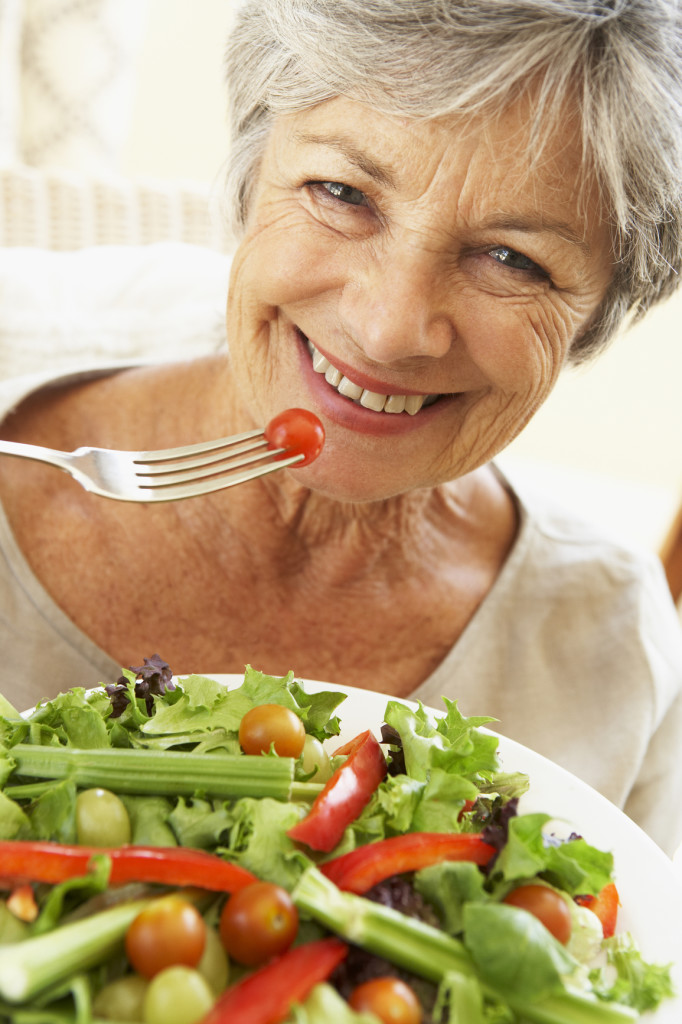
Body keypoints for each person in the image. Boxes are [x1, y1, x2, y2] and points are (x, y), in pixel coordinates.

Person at [0, 0, 680, 856]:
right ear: (250, 177)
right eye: (342, 193)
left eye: (513, 259)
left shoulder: (612, 644)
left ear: (596, 320)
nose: (391, 327)